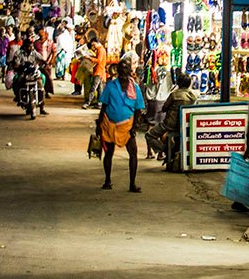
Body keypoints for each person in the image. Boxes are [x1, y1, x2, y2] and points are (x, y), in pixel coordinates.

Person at [97, 59, 145, 192]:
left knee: (133, 153)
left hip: (128, 126)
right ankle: (107, 180)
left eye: (126, 69)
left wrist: (134, 127)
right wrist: (99, 124)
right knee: (109, 153)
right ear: (117, 71)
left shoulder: (135, 88)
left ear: (130, 71)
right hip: (110, 124)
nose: (124, 72)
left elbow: (138, 109)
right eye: (121, 69)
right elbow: (104, 106)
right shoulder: (111, 86)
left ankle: (132, 184)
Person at [145, 72, 197, 163]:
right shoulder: (194, 96)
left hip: (170, 124)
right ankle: (170, 151)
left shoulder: (174, 94)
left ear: (178, 83)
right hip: (187, 124)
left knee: (149, 135)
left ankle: (164, 150)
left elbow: (165, 108)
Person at [10, 36, 48, 117]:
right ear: (24, 46)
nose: (30, 47)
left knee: (43, 79)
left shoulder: (34, 53)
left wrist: (45, 63)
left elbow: (41, 59)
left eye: (31, 46)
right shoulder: (19, 53)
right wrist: (18, 66)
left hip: (34, 72)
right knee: (16, 80)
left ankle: (42, 107)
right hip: (23, 72)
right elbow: (16, 63)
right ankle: (18, 96)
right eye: (28, 46)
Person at [84, 33, 107, 110]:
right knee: (99, 88)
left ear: (96, 42)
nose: (93, 46)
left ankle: (88, 103)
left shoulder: (101, 50)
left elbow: (98, 60)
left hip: (98, 71)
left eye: (94, 44)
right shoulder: (100, 49)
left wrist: (89, 58)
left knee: (93, 88)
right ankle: (99, 104)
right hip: (100, 71)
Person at [35, 26, 57, 96]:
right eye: (40, 34)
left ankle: (47, 92)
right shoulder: (36, 43)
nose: (41, 35)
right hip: (38, 63)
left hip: (47, 63)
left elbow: (54, 52)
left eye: (43, 34)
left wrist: (51, 61)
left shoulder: (50, 42)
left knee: (48, 77)